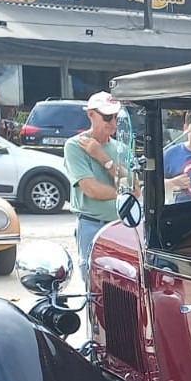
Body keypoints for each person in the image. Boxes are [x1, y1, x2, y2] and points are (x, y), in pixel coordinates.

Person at [63, 91, 135, 287]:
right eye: (107, 117)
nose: (112, 122)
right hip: (92, 223)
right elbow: (92, 190)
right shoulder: (75, 146)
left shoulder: (122, 148)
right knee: (94, 283)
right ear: (91, 115)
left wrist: (102, 157)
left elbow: (134, 187)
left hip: (121, 224)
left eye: (115, 117)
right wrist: (124, 193)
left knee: (126, 281)